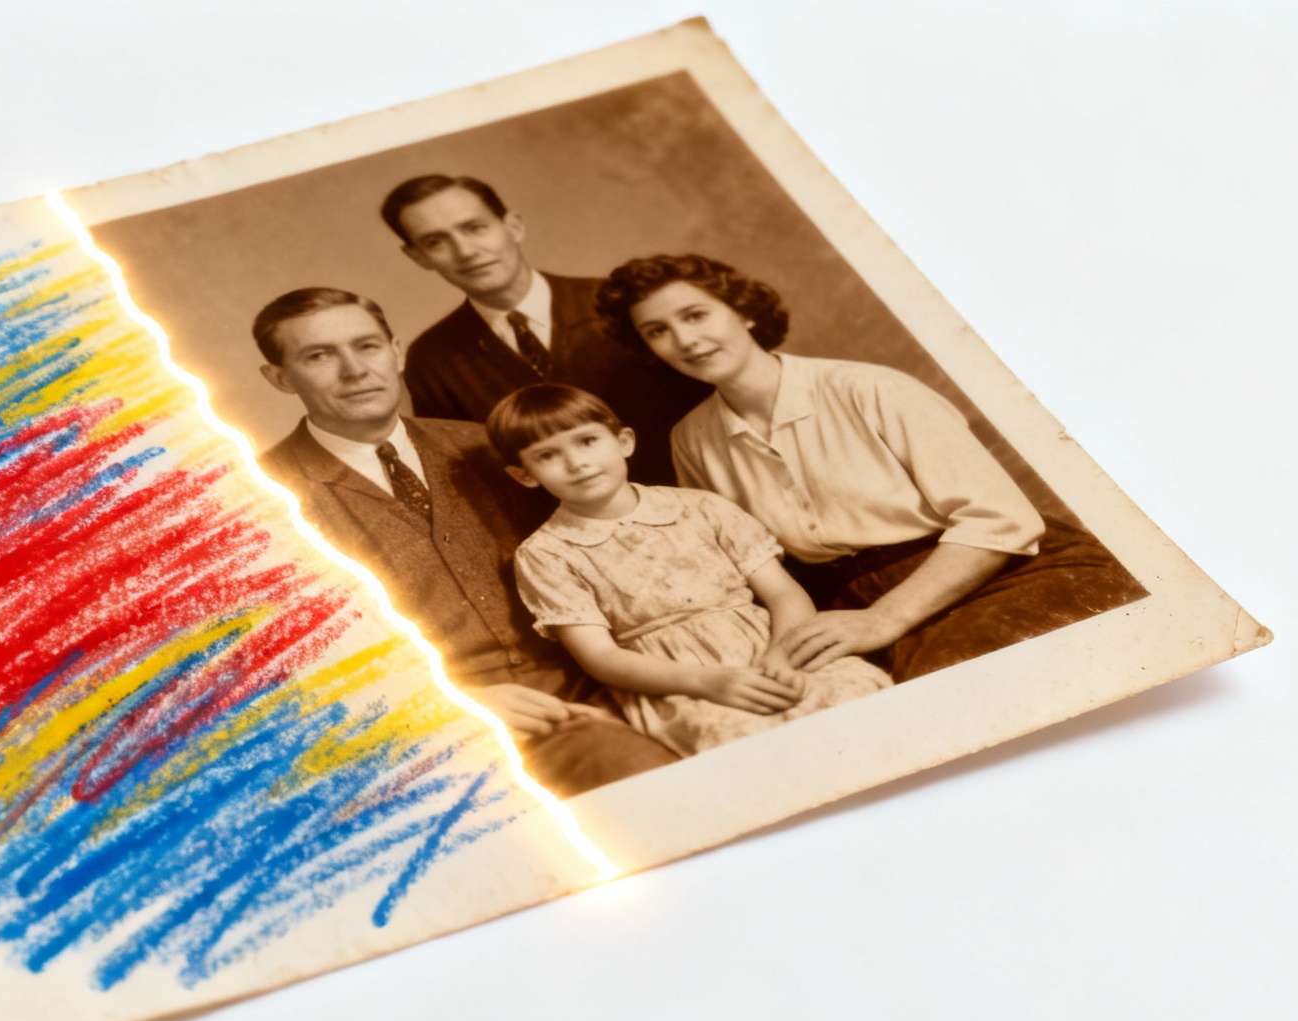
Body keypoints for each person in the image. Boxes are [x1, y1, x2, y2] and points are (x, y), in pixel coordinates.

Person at [594, 254, 1145, 682]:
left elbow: (1001, 522)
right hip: (848, 604)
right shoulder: (692, 439)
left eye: (696, 314)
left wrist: (884, 620)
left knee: (956, 679)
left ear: (743, 310)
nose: (685, 340)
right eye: (657, 330)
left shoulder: (870, 388)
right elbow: (743, 561)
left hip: (1000, 575)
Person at [249, 287, 679, 795]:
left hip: (610, 686)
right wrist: (447, 703)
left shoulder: (487, 448)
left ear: (397, 350)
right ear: (279, 378)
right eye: (319, 356)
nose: (354, 370)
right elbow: (276, 673)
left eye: (367, 346)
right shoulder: (256, 500)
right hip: (441, 735)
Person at [487, 384, 890, 758]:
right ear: (524, 475)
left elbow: (784, 594)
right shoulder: (547, 554)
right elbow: (601, 657)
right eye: (547, 455)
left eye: (588, 441)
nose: (576, 463)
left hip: (774, 648)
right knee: (742, 737)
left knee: (856, 692)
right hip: (678, 682)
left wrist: (782, 658)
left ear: (623, 442)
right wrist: (709, 682)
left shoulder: (700, 507)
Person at [379, 174, 709, 488]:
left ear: (513, 226)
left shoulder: (624, 305)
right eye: (436, 241)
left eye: (475, 228)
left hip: (697, 496)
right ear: (417, 256)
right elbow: (475, 475)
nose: (466, 251)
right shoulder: (433, 360)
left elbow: (710, 402)